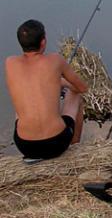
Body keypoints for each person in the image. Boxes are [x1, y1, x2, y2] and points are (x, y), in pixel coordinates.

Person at [5, 19, 88, 161]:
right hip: (56, 143)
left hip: (25, 146)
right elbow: (82, 88)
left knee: (23, 101)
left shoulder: (10, 63)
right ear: (43, 42)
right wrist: (62, 82)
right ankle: (74, 147)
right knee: (76, 96)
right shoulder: (55, 59)